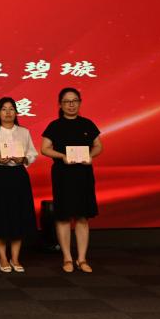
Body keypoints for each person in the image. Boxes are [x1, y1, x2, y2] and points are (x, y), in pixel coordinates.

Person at [40, 86, 104, 273]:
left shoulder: (87, 124)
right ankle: (67, 258)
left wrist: (91, 155)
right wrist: (62, 156)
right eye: (67, 102)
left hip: (83, 175)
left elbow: (98, 145)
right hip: (63, 175)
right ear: (60, 104)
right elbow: (44, 148)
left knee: (83, 217)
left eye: (75, 101)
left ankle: (82, 259)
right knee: (63, 217)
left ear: (80, 103)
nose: (71, 105)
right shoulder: (55, 126)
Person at [0, 97, 39, 273]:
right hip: (0, 175)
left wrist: (24, 159)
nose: (8, 112)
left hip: (19, 174)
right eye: (4, 109)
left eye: (11, 109)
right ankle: (3, 258)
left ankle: (15, 258)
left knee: (18, 215)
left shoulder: (24, 132)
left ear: (16, 112)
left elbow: (32, 153)